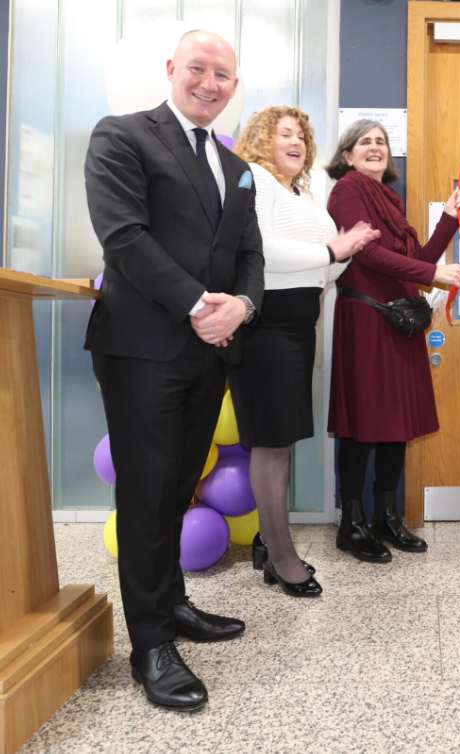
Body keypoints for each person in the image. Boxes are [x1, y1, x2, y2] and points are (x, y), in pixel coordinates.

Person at [84, 30, 264, 710]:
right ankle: (151, 646)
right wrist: (197, 305)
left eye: (224, 74)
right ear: (171, 70)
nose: (211, 82)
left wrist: (242, 305)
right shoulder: (122, 136)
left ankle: (174, 604)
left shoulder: (235, 165)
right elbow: (123, 237)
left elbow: (251, 253)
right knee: (148, 494)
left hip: (211, 349)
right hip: (143, 349)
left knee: (181, 484)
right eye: (199, 68)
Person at [228, 107, 378, 596]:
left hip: (298, 323)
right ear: (261, 141)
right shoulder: (256, 180)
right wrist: (335, 251)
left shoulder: (307, 194)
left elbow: (324, 270)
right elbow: (262, 250)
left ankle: (269, 543)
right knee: (271, 442)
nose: (295, 142)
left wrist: (346, 249)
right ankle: (281, 555)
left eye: (301, 136)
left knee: (282, 441)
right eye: (283, 134)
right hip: (264, 324)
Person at [325, 120, 460, 560]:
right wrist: (434, 275)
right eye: (364, 142)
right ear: (347, 155)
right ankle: (351, 523)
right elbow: (365, 252)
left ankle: (386, 516)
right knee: (362, 423)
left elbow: (416, 259)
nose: (374, 147)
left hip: (400, 321)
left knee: (395, 425)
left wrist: (448, 218)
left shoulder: (390, 199)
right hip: (366, 318)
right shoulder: (346, 191)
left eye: (381, 142)